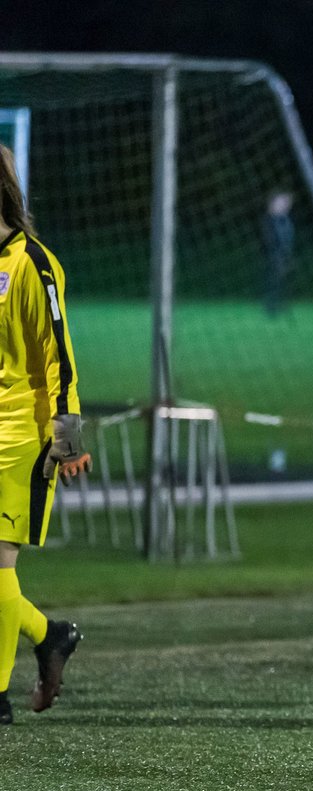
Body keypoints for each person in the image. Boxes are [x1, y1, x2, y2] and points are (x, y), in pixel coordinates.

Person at [0, 143, 87, 726]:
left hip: (20, 435)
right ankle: (48, 633)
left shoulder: (32, 261)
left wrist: (67, 433)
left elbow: (58, 353)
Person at [261, 190, 295, 318]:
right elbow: (268, 239)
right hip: (274, 255)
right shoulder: (270, 220)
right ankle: (271, 307)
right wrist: (275, 255)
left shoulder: (286, 219)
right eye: (281, 202)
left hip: (285, 254)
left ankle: (282, 305)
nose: (285, 205)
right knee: (273, 281)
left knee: (284, 281)